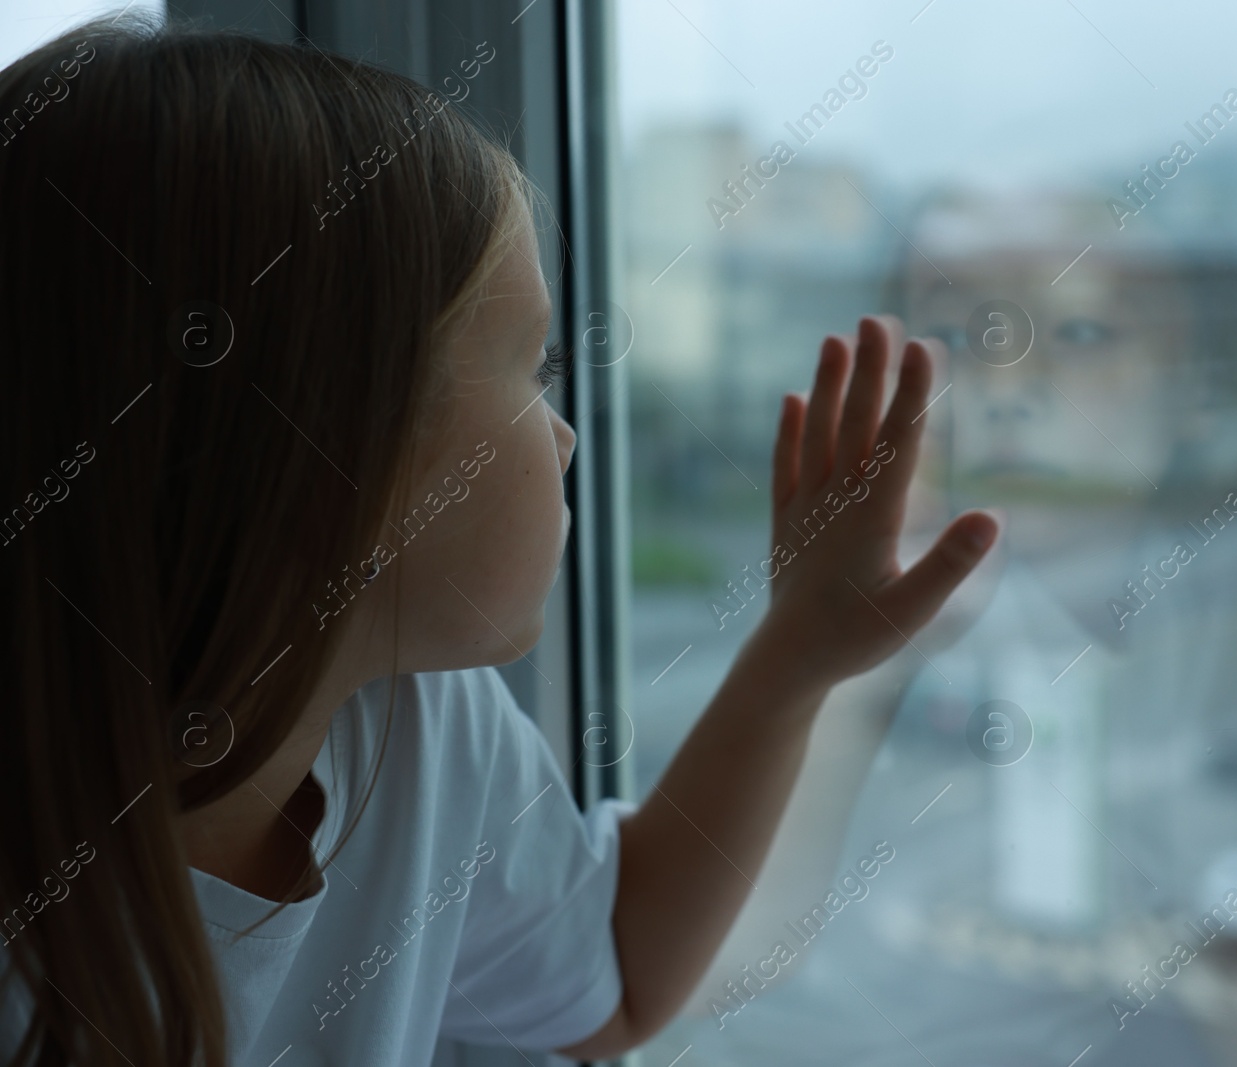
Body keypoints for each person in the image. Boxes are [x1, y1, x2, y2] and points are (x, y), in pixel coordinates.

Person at [0, 14, 998, 1066]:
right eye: (531, 371)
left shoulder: (410, 711)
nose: (564, 436)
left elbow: (606, 981)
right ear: (329, 457)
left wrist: (799, 649)